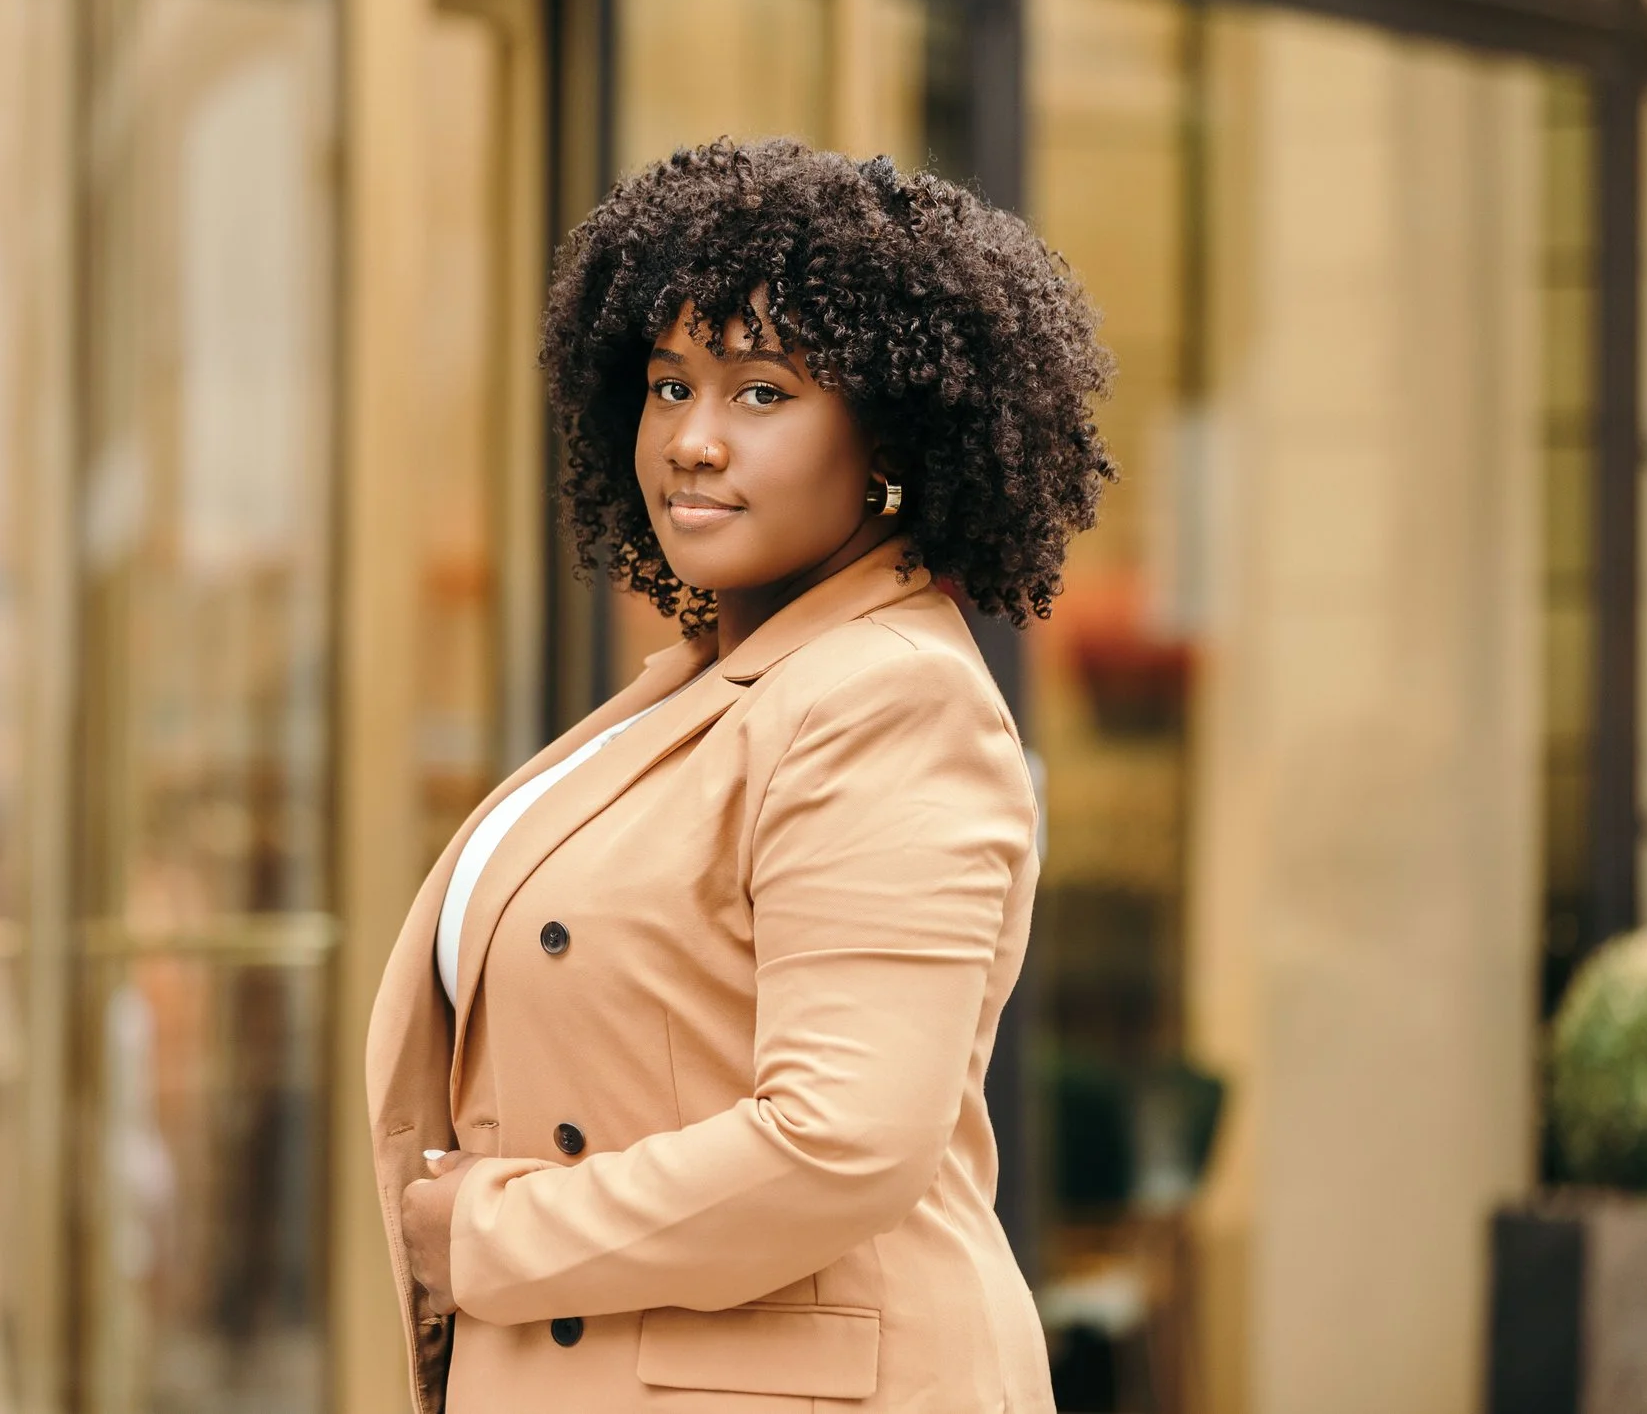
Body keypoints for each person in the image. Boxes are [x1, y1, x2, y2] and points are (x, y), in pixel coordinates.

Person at [366, 137, 1113, 1412]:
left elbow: (841, 1142)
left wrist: (488, 1237)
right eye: (668, 386)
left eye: (761, 392)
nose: (693, 441)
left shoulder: (890, 697)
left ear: (888, 430)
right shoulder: (707, 683)